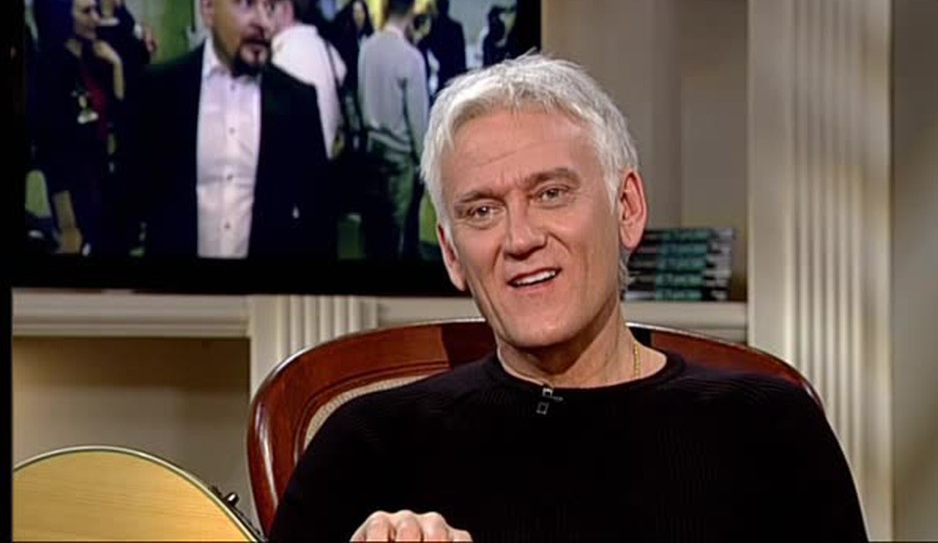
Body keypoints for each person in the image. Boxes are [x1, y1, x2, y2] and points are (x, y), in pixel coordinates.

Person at [268, 54, 870, 542]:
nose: (521, 239)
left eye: (551, 193)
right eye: (482, 210)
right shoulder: (368, 444)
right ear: (451, 253)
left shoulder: (766, 427)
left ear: (627, 208)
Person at [124, 0, 334, 259]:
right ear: (208, 9)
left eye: (269, 6)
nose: (263, 22)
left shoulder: (298, 100)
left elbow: (318, 220)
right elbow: (124, 204)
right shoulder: (159, 89)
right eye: (246, 2)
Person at [27, 0, 127, 256]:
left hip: (102, 175)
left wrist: (117, 66)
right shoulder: (48, 69)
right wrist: (68, 223)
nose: (96, 18)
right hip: (73, 190)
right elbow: (51, 149)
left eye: (96, 9)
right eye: (86, 11)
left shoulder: (93, 58)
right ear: (61, 16)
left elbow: (118, 114)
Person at [356, 0, 429, 261]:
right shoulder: (411, 57)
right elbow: (417, 118)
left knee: (373, 230)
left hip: (371, 151)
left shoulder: (366, 48)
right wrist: (425, 160)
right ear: (410, 12)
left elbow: (361, 95)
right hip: (400, 157)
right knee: (398, 234)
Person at [271, 0, 347, 159]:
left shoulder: (280, 58)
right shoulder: (326, 48)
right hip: (328, 161)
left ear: (286, 9)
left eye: (269, 5)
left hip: (295, 165)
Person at [86, 0, 154, 90]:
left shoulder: (125, 17)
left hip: (138, 81)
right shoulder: (92, 28)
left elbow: (141, 56)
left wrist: (146, 42)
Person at [425, 0, 467, 96]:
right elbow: (462, 52)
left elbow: (431, 47)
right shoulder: (456, 27)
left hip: (442, 68)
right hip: (456, 69)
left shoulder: (435, 27)